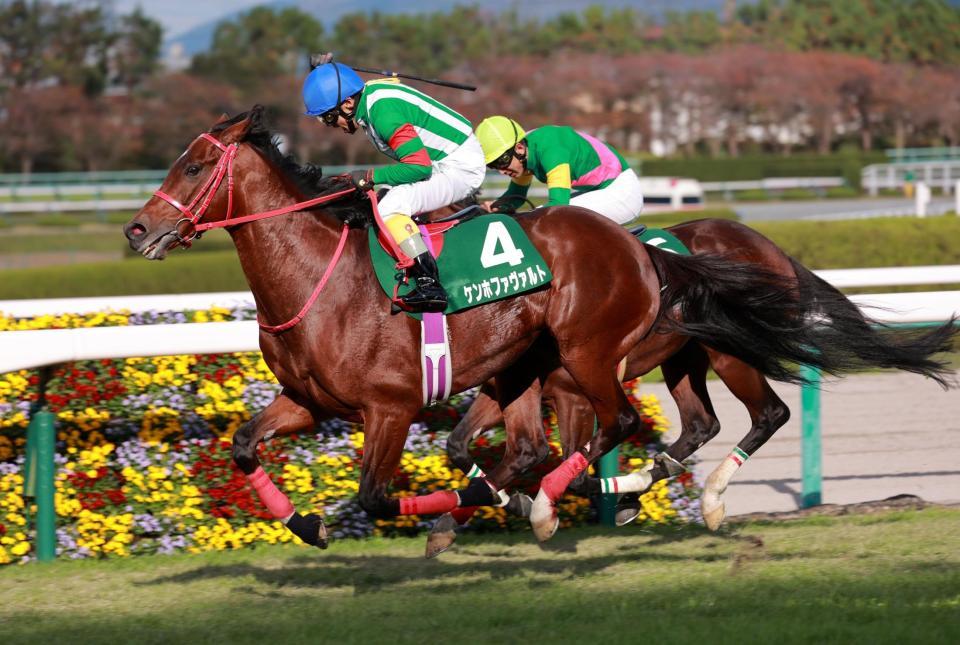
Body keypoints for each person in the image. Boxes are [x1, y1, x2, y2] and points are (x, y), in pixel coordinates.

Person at [302, 61, 486, 312]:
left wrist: (369, 175)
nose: (332, 125)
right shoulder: (368, 98)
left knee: (391, 206)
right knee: (379, 196)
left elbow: (420, 167)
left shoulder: (383, 113)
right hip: (444, 160)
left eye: (330, 117)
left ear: (347, 103)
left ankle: (429, 282)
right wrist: (327, 73)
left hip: (459, 168)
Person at [475, 116, 644, 224]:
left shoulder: (552, 151)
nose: (502, 171)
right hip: (600, 190)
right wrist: (495, 207)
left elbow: (558, 206)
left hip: (623, 193)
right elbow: (517, 197)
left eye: (502, 161)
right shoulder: (524, 154)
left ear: (519, 148)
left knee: (548, 219)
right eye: (493, 166)